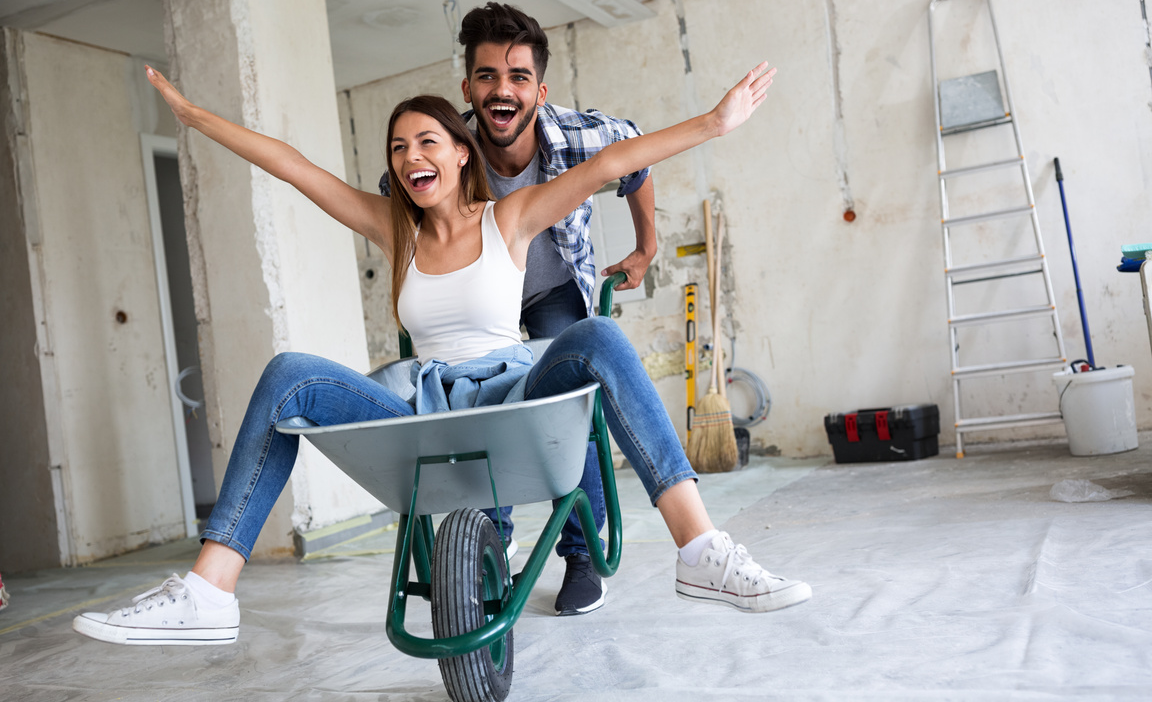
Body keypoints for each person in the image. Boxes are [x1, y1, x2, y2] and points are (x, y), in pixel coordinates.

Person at [72, 59, 810, 648]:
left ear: (461, 153)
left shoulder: (510, 218)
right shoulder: (395, 231)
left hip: (515, 398)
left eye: (427, 141)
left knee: (596, 335)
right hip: (425, 404)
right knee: (289, 374)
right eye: (398, 149)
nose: (410, 156)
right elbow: (294, 167)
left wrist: (715, 123)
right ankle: (208, 589)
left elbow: (608, 163)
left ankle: (699, 549)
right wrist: (196, 118)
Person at [380, 3, 656, 616]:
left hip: (554, 286)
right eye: (487, 77)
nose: (502, 92)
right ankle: (489, 543)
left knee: (569, 407)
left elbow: (632, 157)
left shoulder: (579, 134)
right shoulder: (442, 151)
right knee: (479, 403)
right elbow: (398, 207)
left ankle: (581, 553)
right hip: (479, 306)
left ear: (539, 87)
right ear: (468, 89)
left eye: (518, 78)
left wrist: (646, 247)